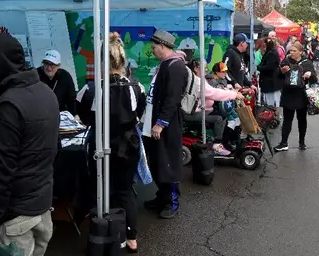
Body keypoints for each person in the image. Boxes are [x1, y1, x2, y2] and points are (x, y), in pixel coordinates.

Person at [0, 33, 59, 256]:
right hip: (42, 207)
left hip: (16, 217)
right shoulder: (46, 92)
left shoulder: (8, 107)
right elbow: (54, 151)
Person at [78, 33, 144, 253]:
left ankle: (101, 229)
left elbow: (83, 117)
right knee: (125, 191)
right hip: (128, 147)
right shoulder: (137, 87)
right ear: (123, 61)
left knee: (99, 187)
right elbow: (140, 115)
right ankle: (131, 236)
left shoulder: (90, 88)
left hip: (100, 145)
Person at [142, 29, 188, 219]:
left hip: (167, 125)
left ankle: (171, 201)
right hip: (157, 120)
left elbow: (172, 99)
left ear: (162, 45)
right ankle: (161, 196)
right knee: (159, 161)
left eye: (154, 47)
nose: (152, 50)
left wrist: (160, 123)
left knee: (168, 162)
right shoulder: (165, 65)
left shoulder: (175, 67)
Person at [185, 59, 244, 155]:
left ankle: (222, 141)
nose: (206, 70)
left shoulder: (199, 79)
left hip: (201, 109)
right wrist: (233, 94)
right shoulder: (197, 82)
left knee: (221, 114)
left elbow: (213, 90)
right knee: (219, 118)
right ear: (196, 68)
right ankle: (216, 145)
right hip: (193, 112)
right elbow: (213, 92)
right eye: (204, 68)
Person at [274, 42, 318, 152]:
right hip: (288, 94)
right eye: (291, 50)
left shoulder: (307, 62)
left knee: (302, 120)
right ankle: (284, 143)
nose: (292, 52)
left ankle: (302, 142)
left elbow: (314, 78)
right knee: (287, 120)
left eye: (294, 50)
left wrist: (309, 75)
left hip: (301, 95)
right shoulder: (286, 61)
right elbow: (278, 76)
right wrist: (281, 71)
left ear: (300, 52)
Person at [37, 49, 78, 115]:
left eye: (52, 65)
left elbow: (71, 99)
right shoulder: (36, 75)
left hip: (60, 113)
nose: (49, 68)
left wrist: (75, 115)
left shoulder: (65, 76)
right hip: (40, 114)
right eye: (46, 63)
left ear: (58, 66)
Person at [257, 38, 282, 107]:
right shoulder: (272, 52)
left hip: (270, 81)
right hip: (272, 81)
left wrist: (258, 67)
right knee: (273, 100)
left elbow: (269, 67)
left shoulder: (271, 53)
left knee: (271, 101)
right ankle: (274, 113)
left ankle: (273, 114)